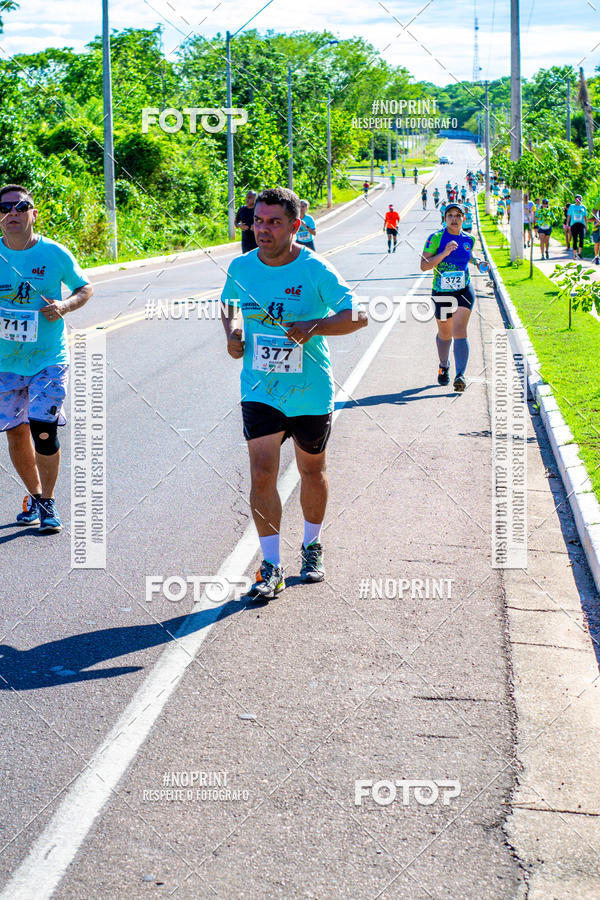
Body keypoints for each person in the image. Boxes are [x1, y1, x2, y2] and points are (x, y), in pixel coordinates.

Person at [220, 187, 367, 599]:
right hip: (260, 388)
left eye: (274, 222)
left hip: (309, 391)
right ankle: (270, 565)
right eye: (258, 221)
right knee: (262, 472)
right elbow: (229, 304)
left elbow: (358, 315)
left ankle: (312, 545)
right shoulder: (241, 266)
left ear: (295, 226)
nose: (263, 229)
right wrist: (233, 332)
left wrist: (313, 327)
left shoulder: (315, 268)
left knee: (311, 472)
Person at [0, 184, 93, 532]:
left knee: (43, 429)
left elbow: (85, 287)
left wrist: (65, 306)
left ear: (33, 214)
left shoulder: (54, 253)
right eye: (5, 208)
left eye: (21, 206)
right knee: (15, 433)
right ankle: (35, 496)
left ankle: (49, 502)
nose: (12, 213)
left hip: (48, 358)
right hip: (5, 362)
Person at [420, 202, 488, 393]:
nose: (454, 219)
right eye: (450, 215)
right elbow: (424, 266)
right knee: (445, 333)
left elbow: (468, 255)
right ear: (445, 219)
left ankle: (460, 375)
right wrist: (444, 253)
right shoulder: (435, 238)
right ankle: (444, 365)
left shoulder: (469, 238)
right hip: (441, 293)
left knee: (459, 330)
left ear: (463, 218)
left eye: (458, 215)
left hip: (463, 290)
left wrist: (478, 262)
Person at [567, 194, 587, 259]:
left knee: (581, 238)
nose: (579, 200)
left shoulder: (583, 207)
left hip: (581, 224)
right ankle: (575, 254)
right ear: (575, 199)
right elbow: (569, 215)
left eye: (580, 199)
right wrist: (567, 223)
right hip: (574, 224)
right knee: (575, 239)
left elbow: (585, 217)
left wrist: (586, 226)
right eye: (577, 199)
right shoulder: (572, 206)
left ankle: (580, 253)